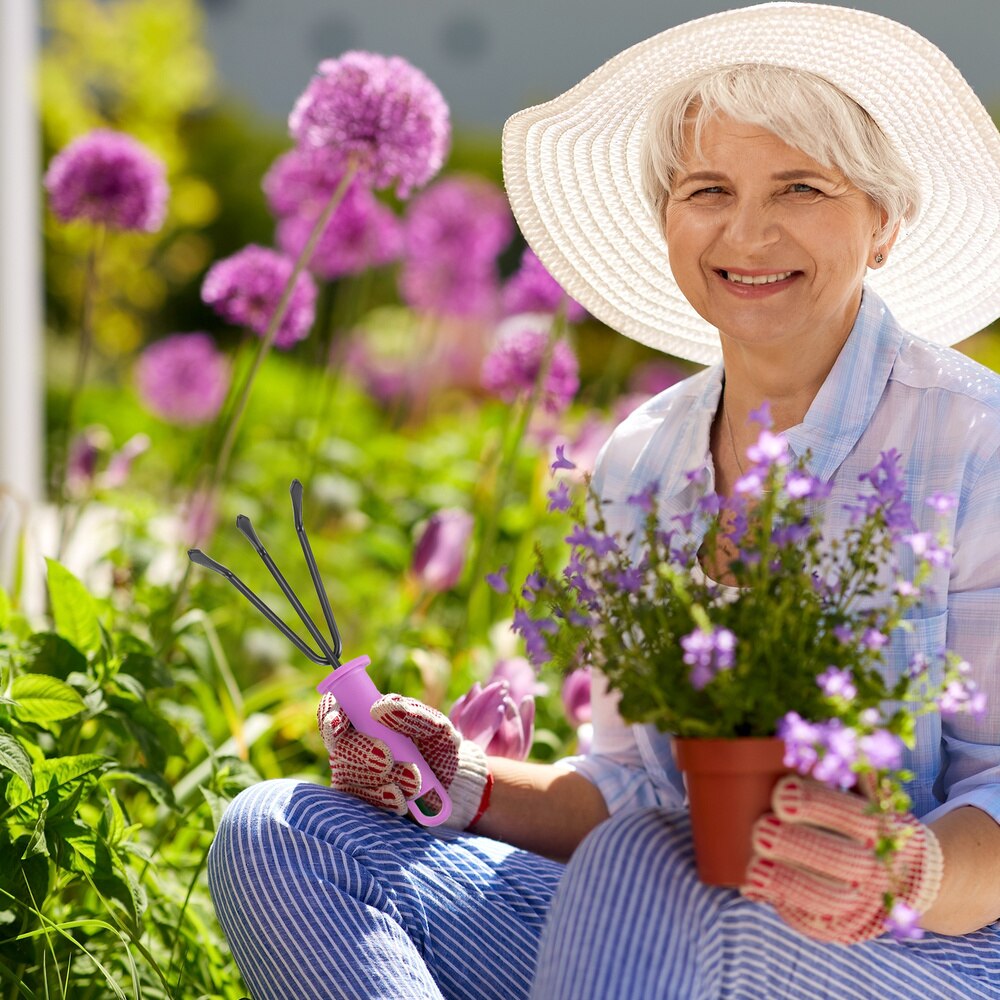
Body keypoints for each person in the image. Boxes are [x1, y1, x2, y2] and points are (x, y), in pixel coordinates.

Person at [207, 4, 1000, 998]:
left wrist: (908, 867)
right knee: (282, 835)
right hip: (652, 938)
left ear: (882, 221)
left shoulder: (975, 442)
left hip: (923, 953)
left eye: (800, 186)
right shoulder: (642, 459)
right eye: (707, 188)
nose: (746, 231)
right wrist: (457, 777)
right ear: (667, 218)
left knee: (645, 866)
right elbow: (628, 792)